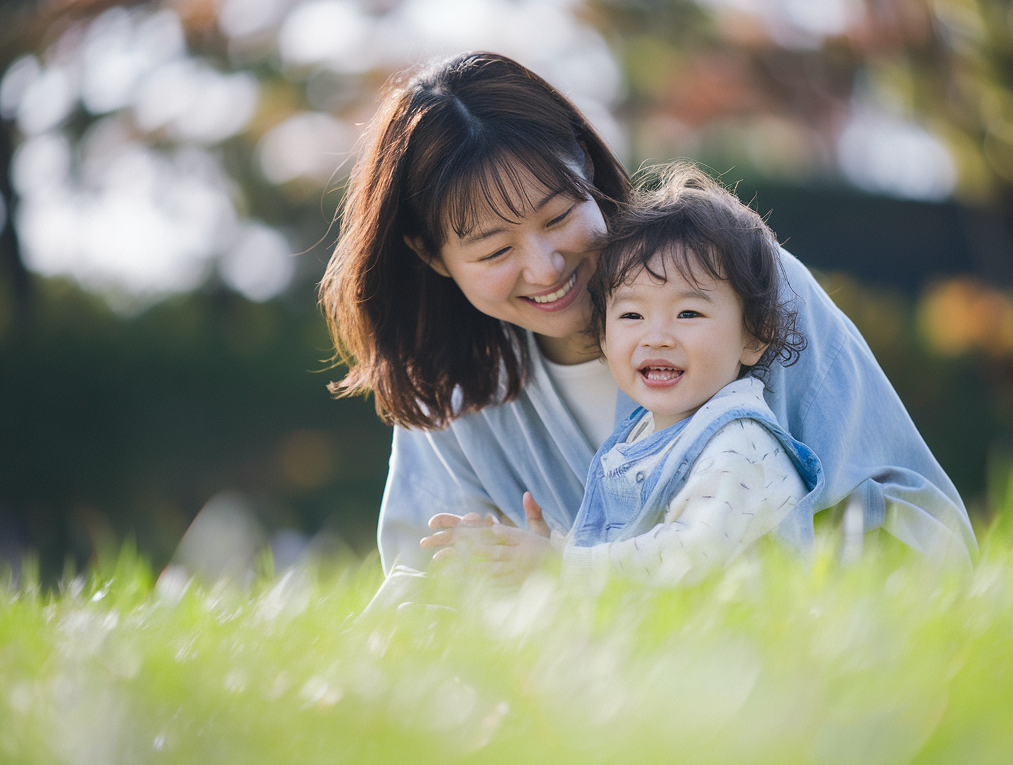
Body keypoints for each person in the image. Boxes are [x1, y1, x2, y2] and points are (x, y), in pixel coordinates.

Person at [319, 52, 976, 600]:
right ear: (432, 256)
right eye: (494, 250)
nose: (545, 267)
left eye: (558, 216)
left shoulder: (739, 285)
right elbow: (425, 594)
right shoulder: (447, 388)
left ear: (586, 166)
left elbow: (927, 524)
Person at [519, 163, 825, 588]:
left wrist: (563, 567)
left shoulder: (739, 443)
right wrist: (558, 550)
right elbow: (636, 544)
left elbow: (688, 557)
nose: (656, 336)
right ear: (604, 339)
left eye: (688, 312)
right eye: (631, 314)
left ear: (753, 337)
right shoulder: (642, 434)